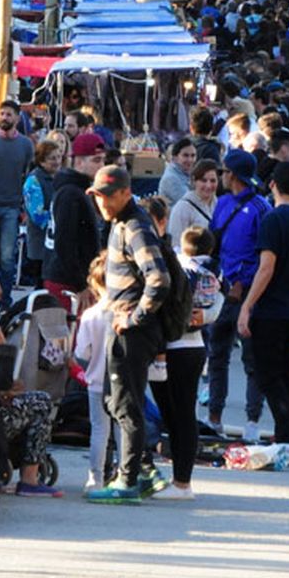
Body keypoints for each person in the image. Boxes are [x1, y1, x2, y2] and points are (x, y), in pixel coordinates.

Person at [84, 165, 173, 504]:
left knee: (125, 403)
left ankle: (129, 479)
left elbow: (158, 278)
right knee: (114, 398)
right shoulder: (121, 223)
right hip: (124, 325)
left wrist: (135, 317)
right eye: (97, 197)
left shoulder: (135, 226)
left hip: (133, 330)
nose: (102, 203)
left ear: (125, 193)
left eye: (108, 196)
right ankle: (146, 470)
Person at [237, 161, 289, 450]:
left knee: (269, 374)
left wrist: (247, 306)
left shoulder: (273, 219)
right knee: (286, 373)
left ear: (272, 185)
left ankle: (287, 431)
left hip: (271, 309)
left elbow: (266, 267)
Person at [150, 224, 222, 499]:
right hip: (195, 345)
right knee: (183, 414)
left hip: (172, 347)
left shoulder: (177, 267)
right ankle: (182, 480)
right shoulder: (213, 271)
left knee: (176, 416)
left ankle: (182, 483)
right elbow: (216, 307)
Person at [206, 149, 271, 437]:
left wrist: (244, 284)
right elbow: (212, 243)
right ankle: (214, 416)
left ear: (231, 174)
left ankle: (252, 421)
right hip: (220, 289)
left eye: (224, 171)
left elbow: (264, 254)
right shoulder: (221, 204)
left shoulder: (260, 208)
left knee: (253, 358)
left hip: (247, 292)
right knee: (217, 354)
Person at [41, 132, 106, 300]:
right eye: (96, 160)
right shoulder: (70, 194)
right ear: (78, 161)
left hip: (72, 278)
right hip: (67, 282)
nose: (102, 166)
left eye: (103, 161)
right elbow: (64, 244)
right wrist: (81, 284)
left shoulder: (78, 190)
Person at [0, 99, 34, 303]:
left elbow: (28, 177)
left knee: (7, 257)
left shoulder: (25, 145)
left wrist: (23, 208)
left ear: (17, 118)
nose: (4, 117)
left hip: (11, 208)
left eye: (9, 114)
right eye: (2, 113)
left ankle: (5, 299)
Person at [72, 255, 116, 491]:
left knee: (99, 430)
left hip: (96, 380)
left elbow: (82, 353)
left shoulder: (90, 315)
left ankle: (95, 477)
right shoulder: (124, 313)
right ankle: (126, 474)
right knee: (122, 430)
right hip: (123, 382)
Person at [20, 138, 63, 289]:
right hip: (40, 245)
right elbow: (37, 216)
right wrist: (62, 217)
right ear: (42, 160)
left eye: (59, 157)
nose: (57, 161)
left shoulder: (59, 178)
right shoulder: (34, 181)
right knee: (41, 287)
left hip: (55, 244)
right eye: (52, 158)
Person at [167, 159, 219, 243]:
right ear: (194, 181)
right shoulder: (182, 208)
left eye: (213, 181)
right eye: (203, 180)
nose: (208, 186)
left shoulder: (219, 205)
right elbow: (175, 244)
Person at [158, 138, 197, 206]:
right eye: (185, 155)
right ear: (175, 157)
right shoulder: (171, 178)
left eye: (193, 155)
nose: (190, 160)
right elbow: (192, 204)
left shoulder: (186, 173)